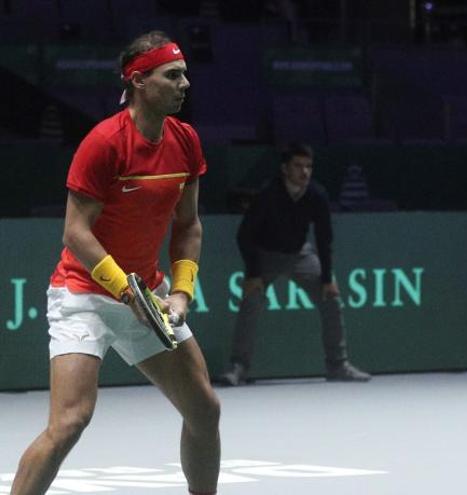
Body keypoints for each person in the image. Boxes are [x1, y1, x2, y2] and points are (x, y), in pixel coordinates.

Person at [11, 31, 221, 495]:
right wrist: (126, 292)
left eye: (185, 73)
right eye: (173, 75)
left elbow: (188, 227)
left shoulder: (185, 141)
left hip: (148, 296)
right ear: (139, 81)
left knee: (204, 410)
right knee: (70, 422)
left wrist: (182, 293)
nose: (185, 83)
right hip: (83, 296)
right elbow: (75, 232)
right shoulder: (104, 142)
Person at [220, 143, 371, 385]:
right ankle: (238, 367)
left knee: (331, 298)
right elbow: (245, 236)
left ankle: (338, 365)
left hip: (300, 254)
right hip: (265, 254)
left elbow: (324, 238)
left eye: (308, 166)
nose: (304, 172)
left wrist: (327, 278)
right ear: (284, 169)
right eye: (298, 166)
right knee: (251, 302)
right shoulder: (268, 194)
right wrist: (254, 274)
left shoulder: (317, 195)